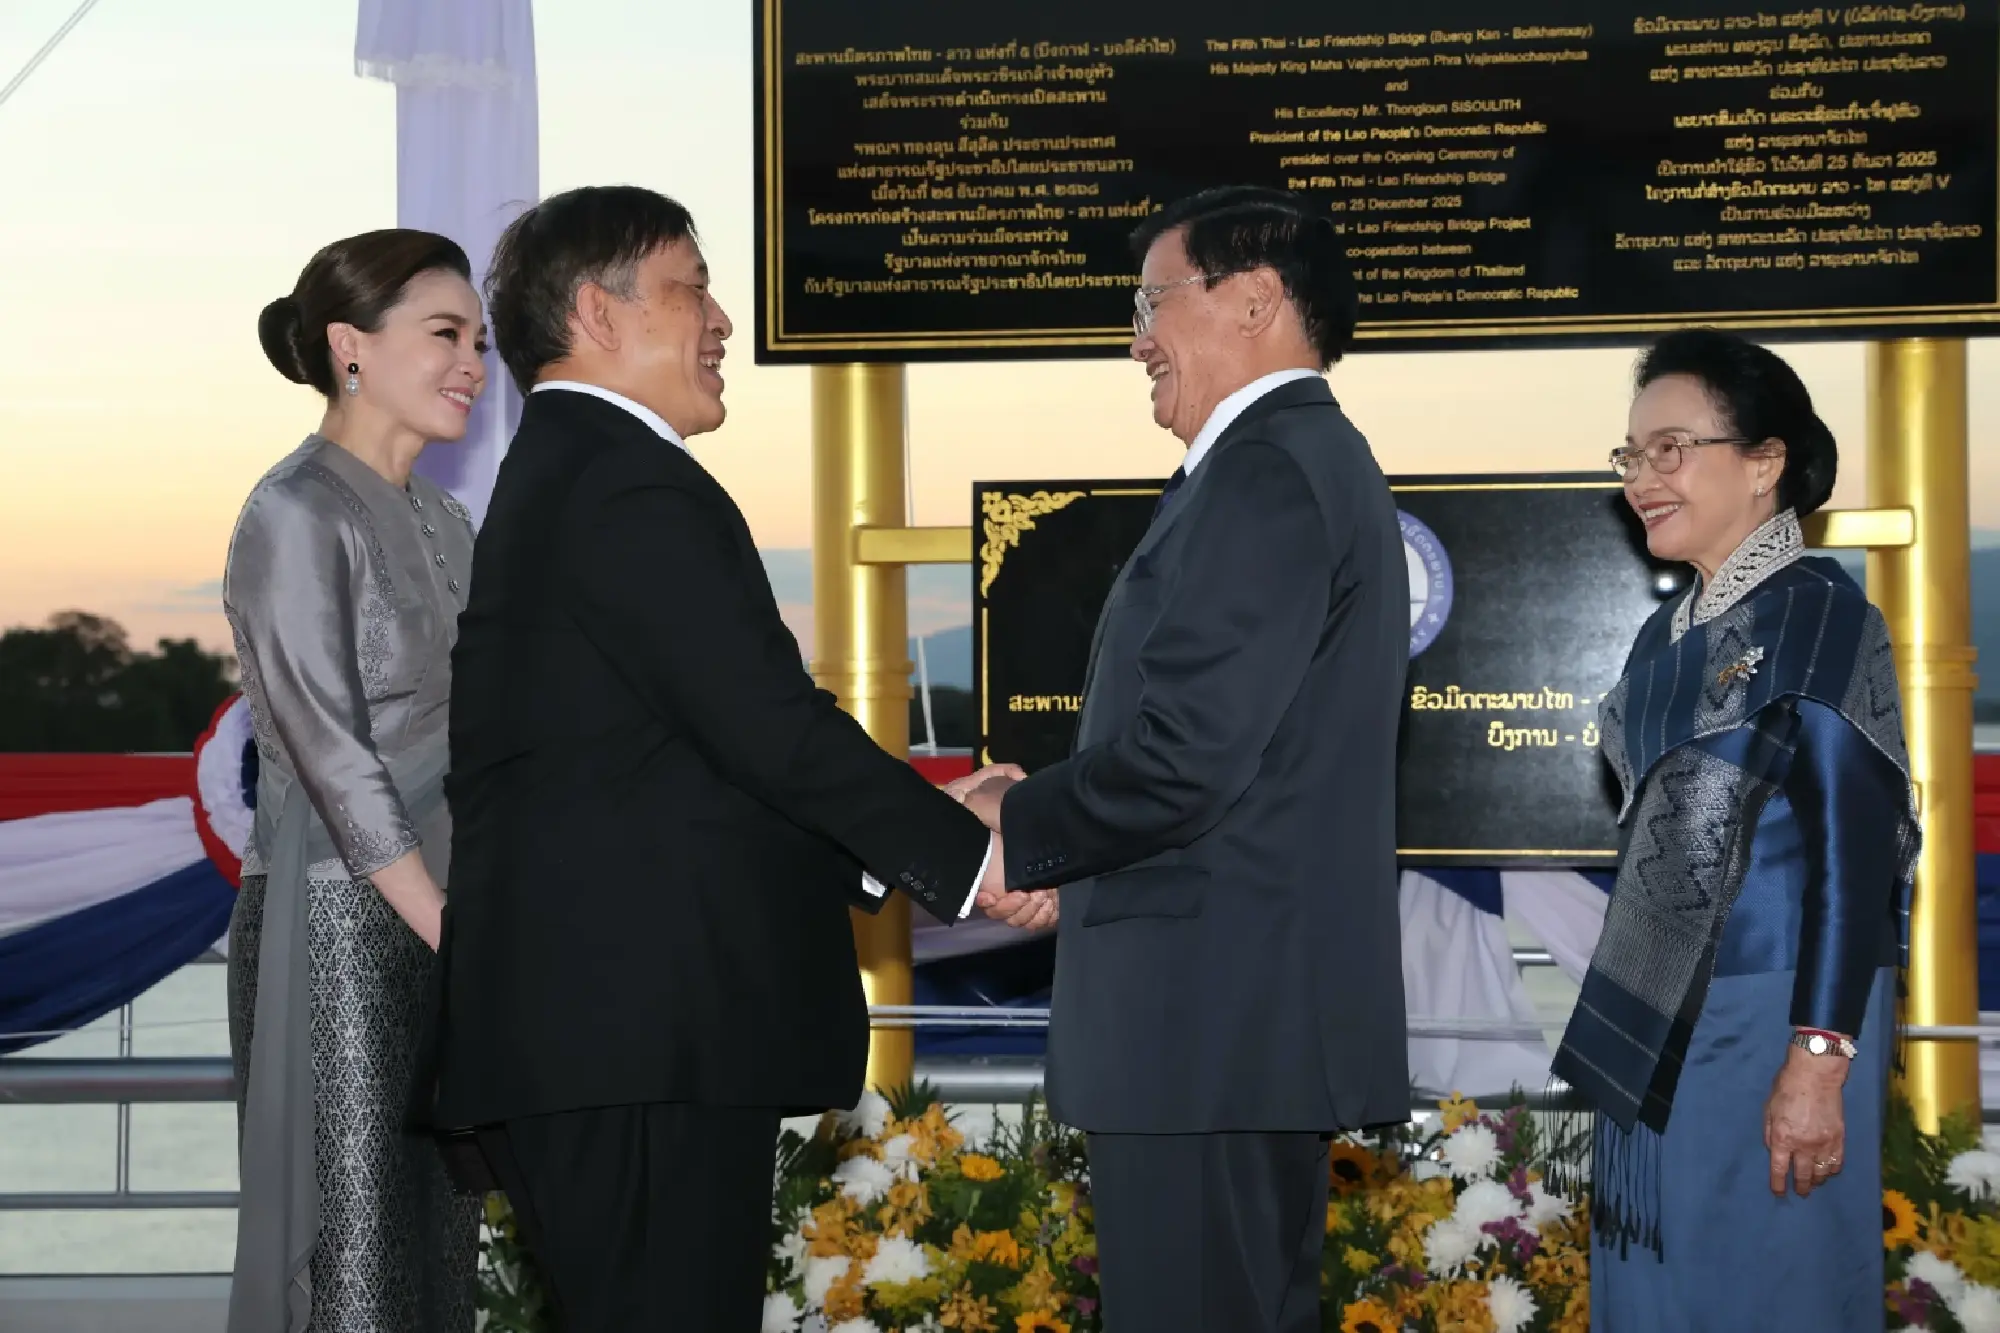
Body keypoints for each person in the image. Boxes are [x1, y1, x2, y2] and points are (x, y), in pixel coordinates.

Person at [422, 184, 1013, 1332]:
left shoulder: (573, 474)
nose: (721, 321)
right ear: (597, 312)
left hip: (619, 1039)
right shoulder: (624, 482)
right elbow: (766, 728)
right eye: (691, 287)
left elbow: (689, 766)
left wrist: (931, 815)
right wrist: (975, 859)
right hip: (638, 1041)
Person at [960, 186, 1412, 1333]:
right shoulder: (1287, 460)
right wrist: (1076, 864)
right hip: (1229, 1019)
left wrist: (1017, 832)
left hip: (1209, 1028)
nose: (1134, 339)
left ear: (1252, 300)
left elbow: (1184, 760)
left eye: (1150, 301)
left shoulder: (1266, 468)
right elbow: (1242, 777)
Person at [1549, 329, 1921, 1330]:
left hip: (1775, 1017)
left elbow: (1856, 854)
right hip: (1665, 1008)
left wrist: (1816, 1056)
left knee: (1769, 1283)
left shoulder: (1820, 615)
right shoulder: (1664, 634)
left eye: (1672, 447)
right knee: (1659, 1286)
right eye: (1631, 454)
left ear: (1765, 462)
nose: (1642, 477)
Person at [224, 229, 489, 1333]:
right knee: (355, 1266)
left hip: (452, 915)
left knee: (439, 1252)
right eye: (445, 335)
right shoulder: (293, 512)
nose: (474, 362)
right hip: (335, 928)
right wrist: (449, 924)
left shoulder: (447, 518)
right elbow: (332, 754)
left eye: (479, 340)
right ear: (350, 347)